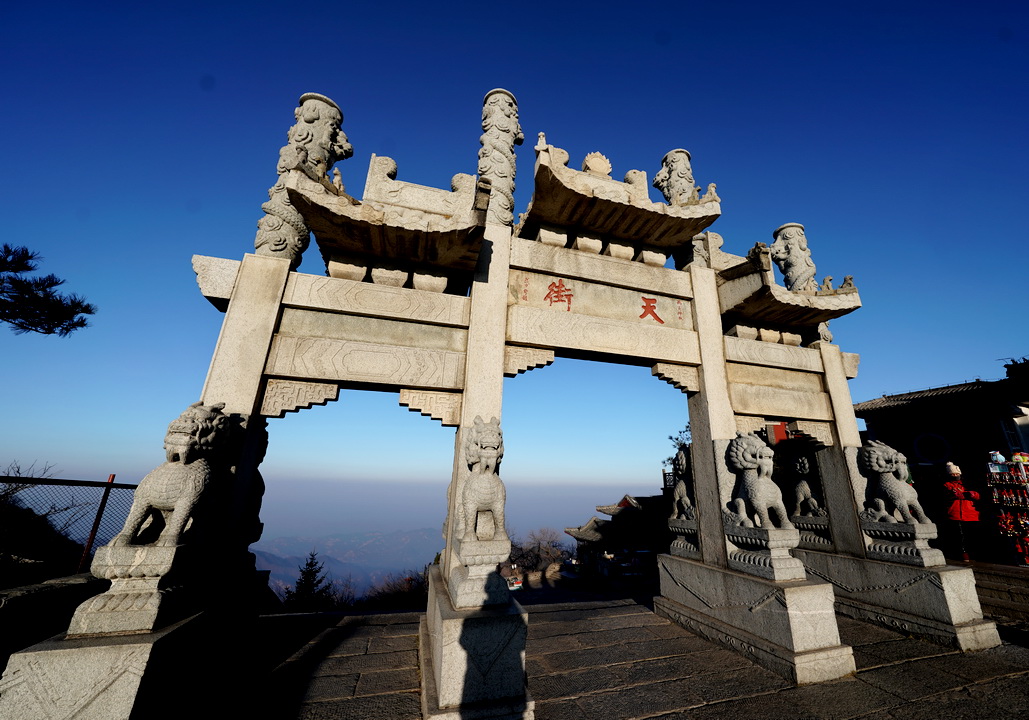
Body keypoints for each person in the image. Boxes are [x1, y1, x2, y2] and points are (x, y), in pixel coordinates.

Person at [943, 462, 980, 561]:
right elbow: (951, 495)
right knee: (960, 536)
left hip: (970, 513)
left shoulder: (967, 483)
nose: (955, 476)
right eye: (953, 474)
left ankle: (973, 553)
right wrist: (966, 495)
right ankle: (964, 553)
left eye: (956, 474)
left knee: (971, 535)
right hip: (955, 513)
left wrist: (967, 494)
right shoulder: (946, 485)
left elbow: (976, 495)